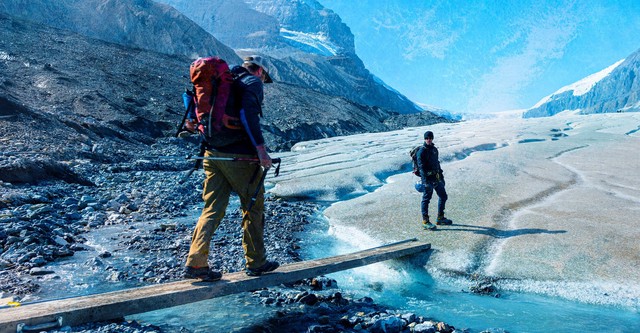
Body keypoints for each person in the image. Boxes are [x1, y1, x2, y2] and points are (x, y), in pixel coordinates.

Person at [184, 56, 279, 281]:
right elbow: (248, 116)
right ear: (259, 71)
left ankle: (196, 263)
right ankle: (256, 262)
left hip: (211, 152)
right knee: (252, 206)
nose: (263, 81)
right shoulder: (251, 83)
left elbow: (190, 99)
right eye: (264, 77)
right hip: (240, 157)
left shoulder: (221, 80)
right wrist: (261, 150)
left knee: (212, 208)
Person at [417, 130, 452, 230]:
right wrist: (425, 182)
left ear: (432, 138)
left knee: (443, 196)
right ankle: (425, 221)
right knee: (426, 199)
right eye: (427, 138)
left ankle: (440, 217)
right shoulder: (422, 152)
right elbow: (421, 168)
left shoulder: (434, 150)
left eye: (430, 138)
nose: (428, 140)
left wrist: (441, 177)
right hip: (428, 180)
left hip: (436, 178)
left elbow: (437, 164)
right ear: (424, 139)